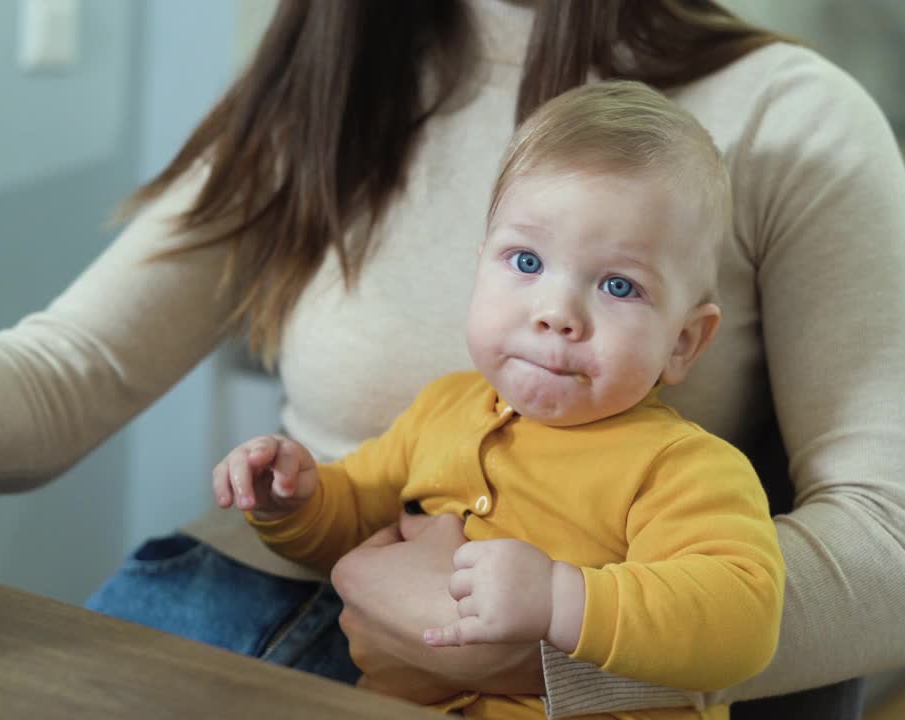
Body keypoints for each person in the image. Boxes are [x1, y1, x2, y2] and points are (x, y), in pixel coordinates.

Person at [0, 1, 905, 718]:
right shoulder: (320, 92)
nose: (552, 314)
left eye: (610, 286)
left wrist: (553, 639)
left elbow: (903, 562)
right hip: (216, 604)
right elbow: (62, 375)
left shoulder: (784, 118)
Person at [213, 80, 785, 720]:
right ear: (479, 264)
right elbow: (351, 519)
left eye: (618, 285)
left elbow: (745, 617)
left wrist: (560, 599)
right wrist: (296, 498)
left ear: (683, 342)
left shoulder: (681, 467)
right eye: (527, 262)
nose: (555, 313)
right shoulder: (443, 409)